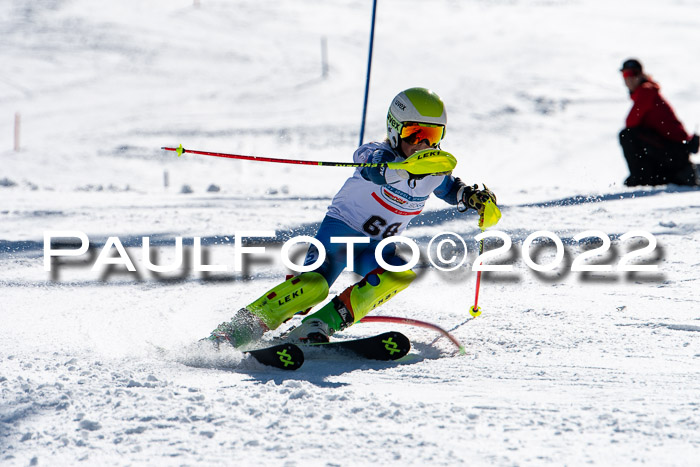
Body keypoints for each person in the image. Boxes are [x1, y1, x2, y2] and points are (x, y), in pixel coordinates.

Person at [206, 87, 497, 348]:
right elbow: (371, 165)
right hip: (340, 234)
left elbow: (450, 189)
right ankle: (234, 331)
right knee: (312, 288)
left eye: (431, 136)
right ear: (395, 130)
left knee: (398, 273)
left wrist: (474, 199)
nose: (422, 144)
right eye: (414, 134)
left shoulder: (435, 168)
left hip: (377, 246)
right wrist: (399, 168)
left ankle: (319, 325)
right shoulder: (377, 152)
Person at [618, 58, 699, 187]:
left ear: (640, 75)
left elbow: (630, 123)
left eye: (632, 74)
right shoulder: (645, 92)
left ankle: (643, 178)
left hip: (676, 152)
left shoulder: (646, 91)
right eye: (625, 75)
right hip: (674, 152)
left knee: (627, 135)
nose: (628, 78)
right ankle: (659, 175)